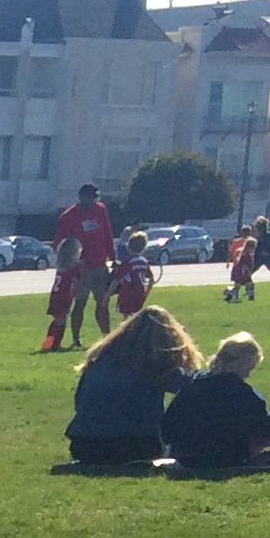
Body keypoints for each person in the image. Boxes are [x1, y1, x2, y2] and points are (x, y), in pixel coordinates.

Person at [64, 304, 199, 465]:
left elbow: (79, 400)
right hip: (136, 445)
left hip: (84, 444)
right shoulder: (152, 362)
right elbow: (191, 387)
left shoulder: (100, 358)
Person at [161, 331, 270, 469]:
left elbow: (167, 428)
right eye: (249, 369)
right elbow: (269, 427)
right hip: (229, 458)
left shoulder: (192, 386)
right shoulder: (243, 394)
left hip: (188, 458)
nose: (247, 375)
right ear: (242, 363)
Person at [45, 182, 117, 350]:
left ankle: (107, 337)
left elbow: (107, 233)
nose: (93, 201)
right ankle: (76, 338)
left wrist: (113, 257)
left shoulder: (100, 210)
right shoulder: (69, 216)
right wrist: (71, 262)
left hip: (100, 264)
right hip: (81, 269)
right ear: (82, 197)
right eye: (90, 197)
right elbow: (60, 244)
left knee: (102, 303)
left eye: (95, 198)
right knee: (80, 303)